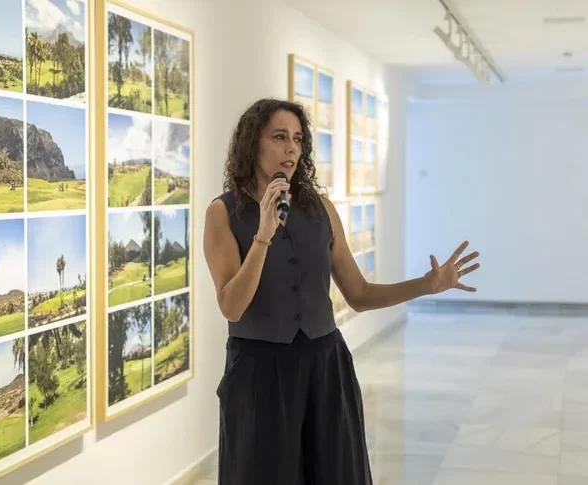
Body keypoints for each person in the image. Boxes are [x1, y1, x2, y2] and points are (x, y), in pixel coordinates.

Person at [202, 98, 480, 485]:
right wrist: (262, 237)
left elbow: (359, 293)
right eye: (279, 137)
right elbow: (231, 306)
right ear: (252, 144)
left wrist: (426, 285)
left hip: (326, 365)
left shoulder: (322, 209)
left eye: (298, 139)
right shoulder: (223, 213)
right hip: (259, 374)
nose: (291, 149)